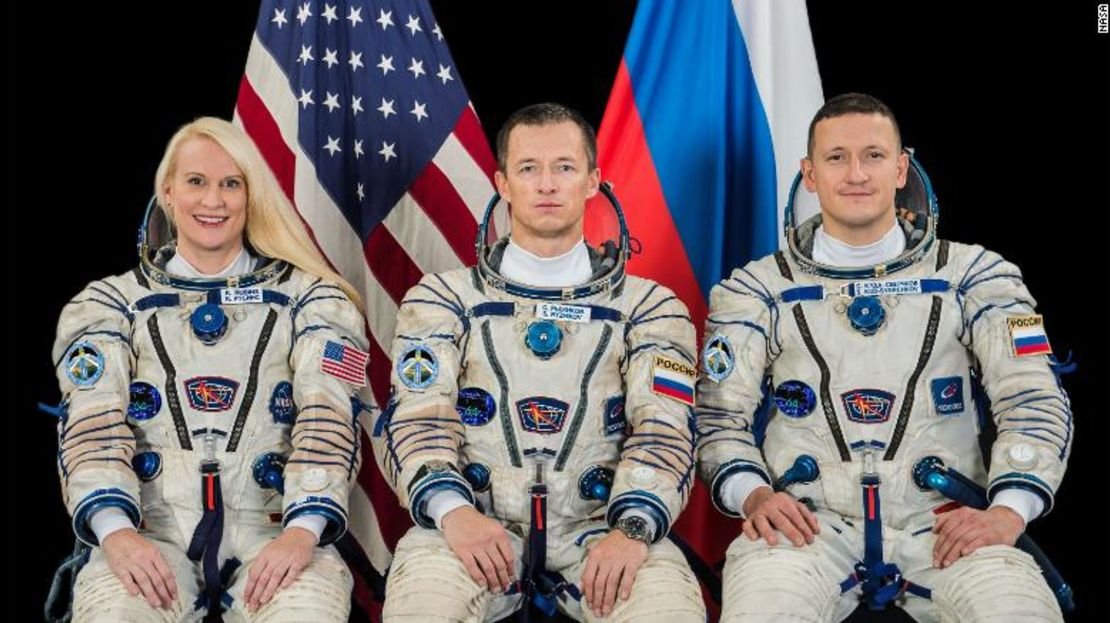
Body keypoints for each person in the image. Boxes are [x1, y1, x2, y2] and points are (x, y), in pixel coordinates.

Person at [697, 93, 1070, 621]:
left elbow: (1032, 399)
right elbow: (716, 418)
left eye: (873, 156)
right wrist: (754, 495)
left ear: (900, 168)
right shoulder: (757, 290)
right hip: (807, 526)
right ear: (809, 174)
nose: (856, 174)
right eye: (836, 157)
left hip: (945, 521)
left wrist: (1009, 510)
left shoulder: (975, 277)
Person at [372, 103, 706, 622]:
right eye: (529, 168)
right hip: (474, 522)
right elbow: (419, 419)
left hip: (602, 529)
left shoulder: (649, 306)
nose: (547, 184)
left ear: (592, 181)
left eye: (564, 167)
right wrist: (453, 511)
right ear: (503, 184)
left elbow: (665, 428)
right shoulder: (443, 299)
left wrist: (633, 528)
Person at [51, 117, 370, 621]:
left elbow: (329, 419)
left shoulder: (313, 300)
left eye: (231, 184)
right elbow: (93, 426)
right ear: (168, 192)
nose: (213, 201)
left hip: (277, 530)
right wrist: (116, 533)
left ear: (250, 195)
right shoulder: (109, 304)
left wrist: (303, 531)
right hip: (148, 533)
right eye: (196, 181)